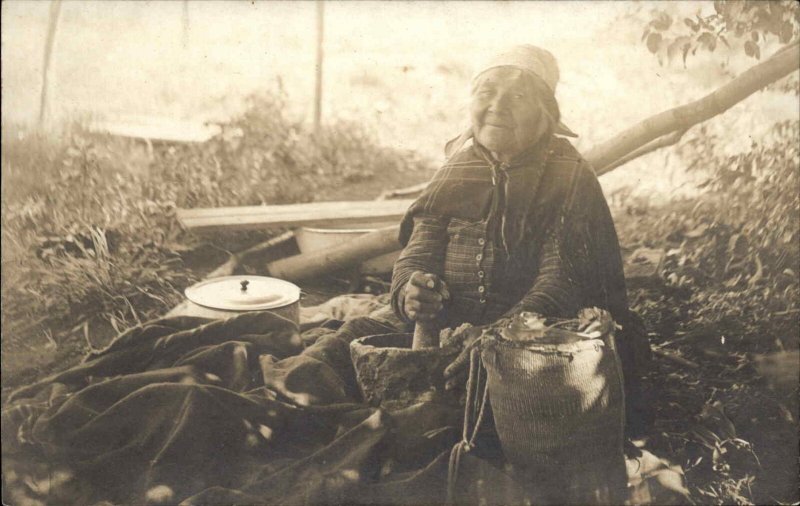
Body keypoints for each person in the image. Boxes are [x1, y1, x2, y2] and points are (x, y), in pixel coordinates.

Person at [389, 44, 652, 433]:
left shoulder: (567, 175)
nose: (496, 105)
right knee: (342, 349)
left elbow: (561, 280)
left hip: (535, 341)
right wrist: (409, 291)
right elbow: (419, 252)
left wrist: (498, 336)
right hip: (451, 333)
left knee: (513, 419)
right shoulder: (458, 167)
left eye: (517, 96)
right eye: (486, 92)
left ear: (546, 113)